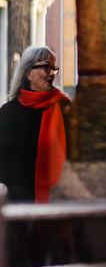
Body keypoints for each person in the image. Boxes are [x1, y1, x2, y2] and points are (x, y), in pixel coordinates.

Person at [0, 46, 71, 203]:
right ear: (28, 73)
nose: (52, 74)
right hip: (17, 203)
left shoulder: (64, 108)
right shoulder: (7, 112)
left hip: (58, 202)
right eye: (46, 67)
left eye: (54, 68)